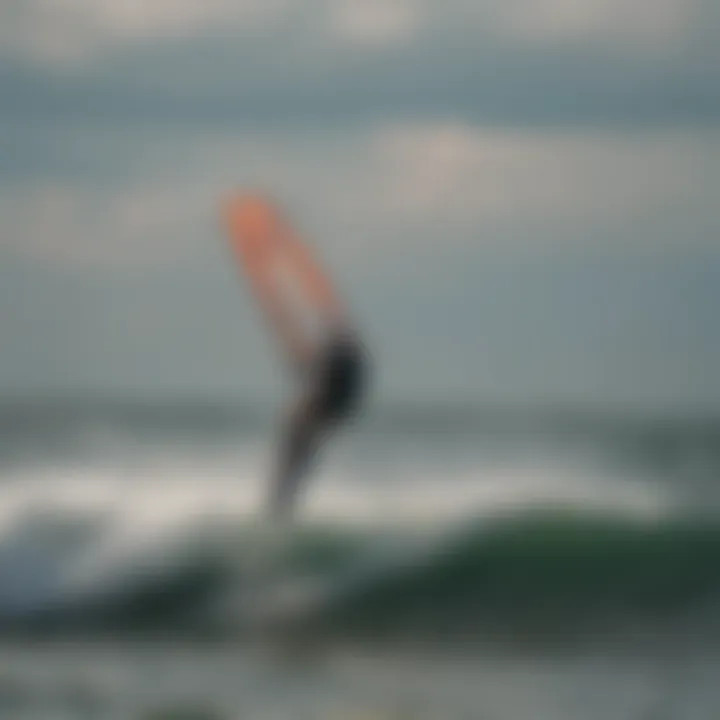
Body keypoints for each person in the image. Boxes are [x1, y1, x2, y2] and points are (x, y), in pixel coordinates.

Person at [223, 195, 369, 522]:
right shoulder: (325, 364)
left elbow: (289, 313)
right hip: (338, 376)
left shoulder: (322, 366)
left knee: (299, 432)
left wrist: (265, 242)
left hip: (338, 374)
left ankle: (279, 506)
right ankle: (281, 504)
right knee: (300, 435)